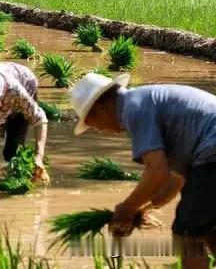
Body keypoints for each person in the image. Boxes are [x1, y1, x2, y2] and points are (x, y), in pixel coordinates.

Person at [70, 72, 216, 268]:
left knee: (187, 235)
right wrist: (143, 208)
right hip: (208, 155)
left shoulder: (134, 109)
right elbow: (175, 181)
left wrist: (126, 208)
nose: (98, 129)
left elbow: (157, 171)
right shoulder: (142, 100)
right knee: (208, 228)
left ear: (100, 108)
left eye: (90, 123)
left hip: (212, 152)